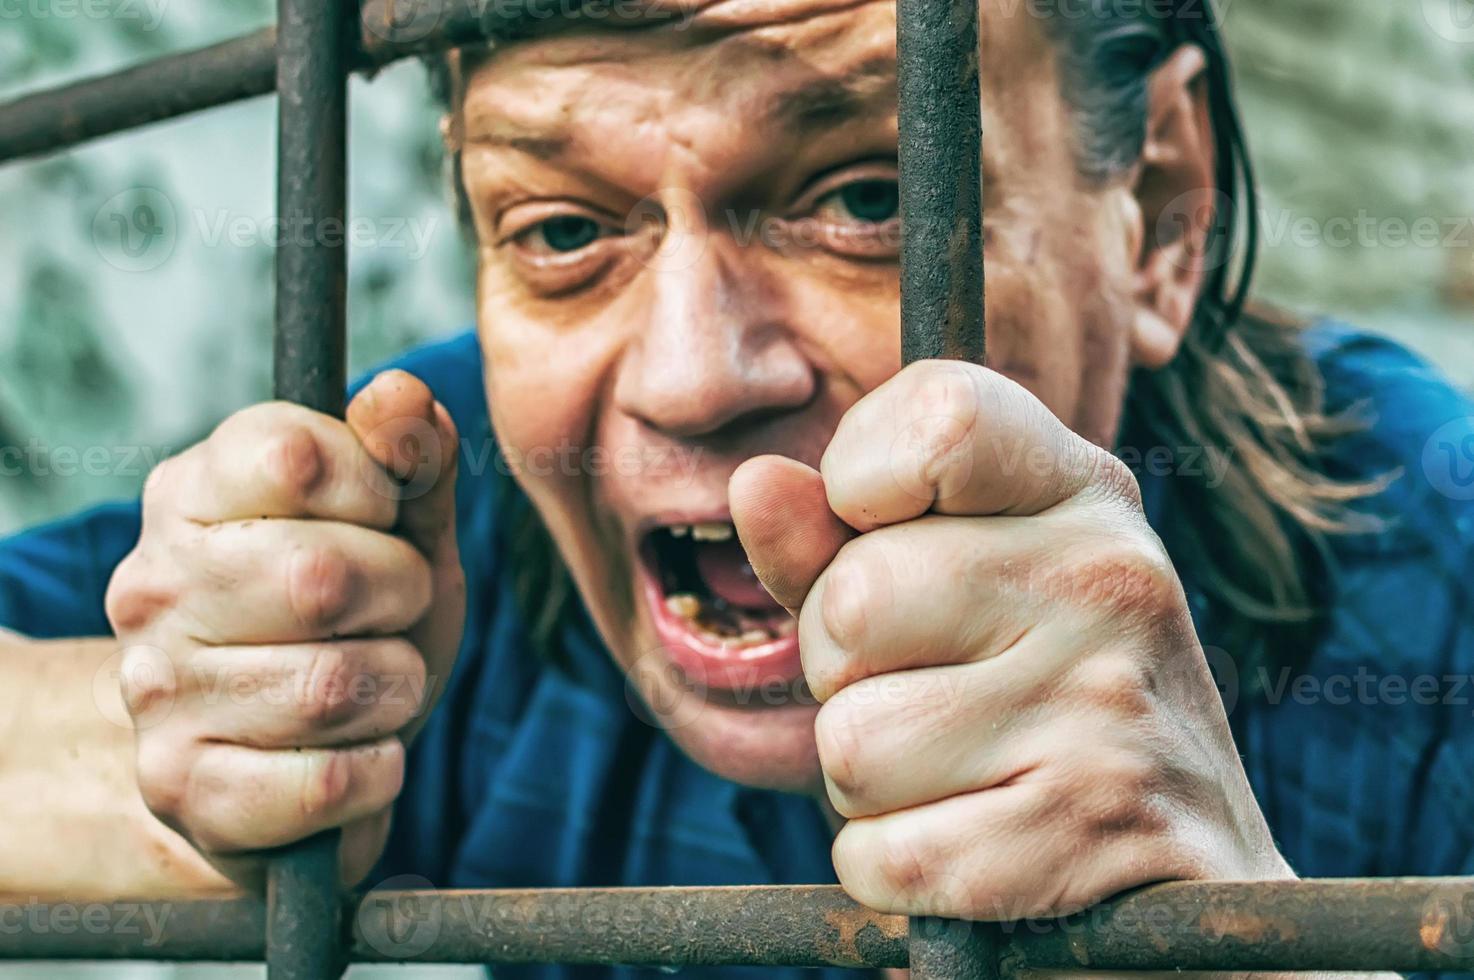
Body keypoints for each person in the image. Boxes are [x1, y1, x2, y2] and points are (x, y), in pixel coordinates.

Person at [1, 1, 1471, 977]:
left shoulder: (1434, 572)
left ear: (1153, 208)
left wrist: (1220, 939)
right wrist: (214, 751)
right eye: (562, 226)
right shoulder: (432, 503)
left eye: (866, 199)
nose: (691, 376)